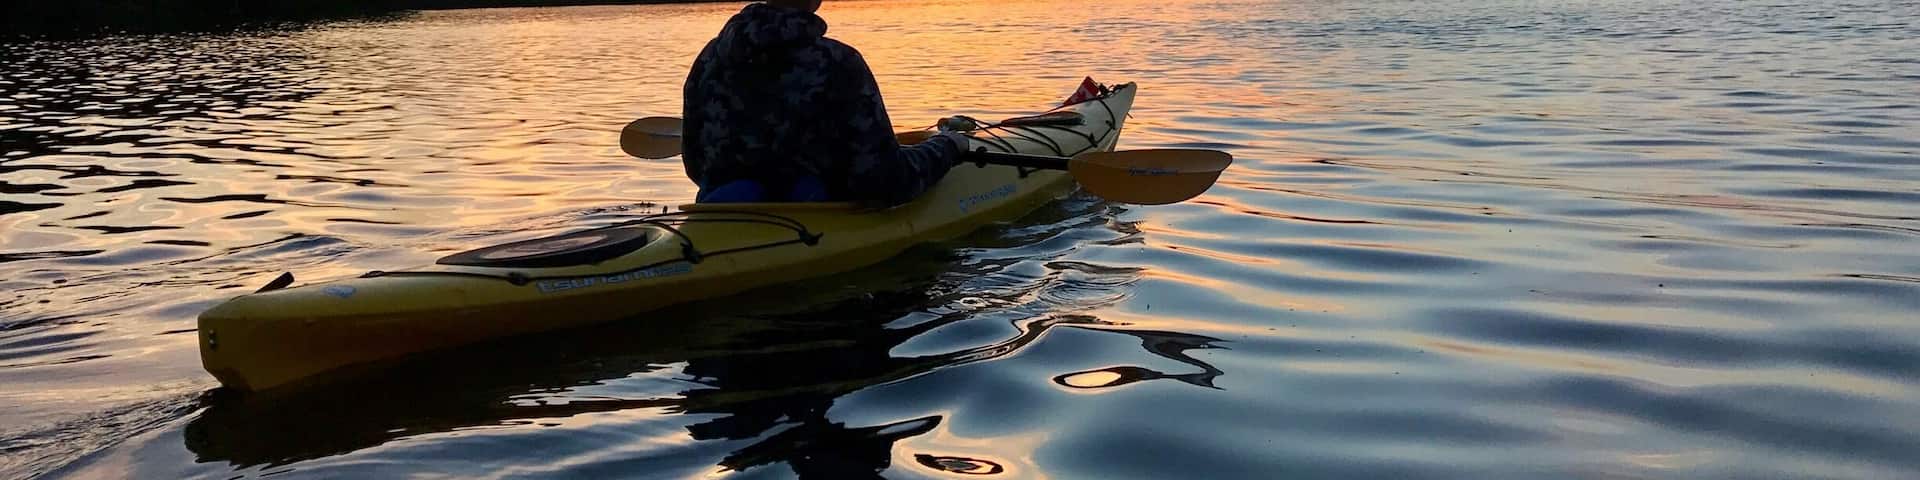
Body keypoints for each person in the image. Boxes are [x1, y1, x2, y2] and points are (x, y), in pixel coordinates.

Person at [682, 0, 970, 206]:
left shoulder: (709, 58)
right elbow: (885, 182)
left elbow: (697, 166)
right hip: (812, 217)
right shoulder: (838, 62)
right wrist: (948, 147)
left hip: (721, 212)